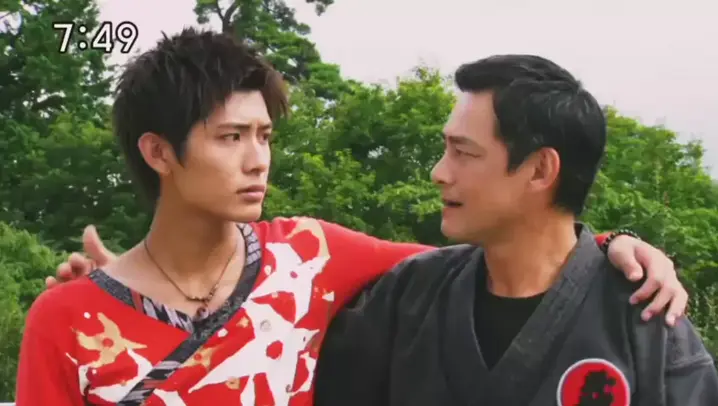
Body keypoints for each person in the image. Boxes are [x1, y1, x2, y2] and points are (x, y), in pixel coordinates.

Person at [28, 29, 686, 406]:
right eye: (231, 138)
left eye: (265, 136)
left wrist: (613, 244)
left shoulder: (308, 257)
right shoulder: (69, 321)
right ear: (158, 152)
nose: (258, 160)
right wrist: (111, 295)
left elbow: (514, 255)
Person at [313, 55, 718, 406]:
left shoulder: (645, 320)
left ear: (540, 170)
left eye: (463, 152)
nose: (439, 173)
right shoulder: (408, 295)